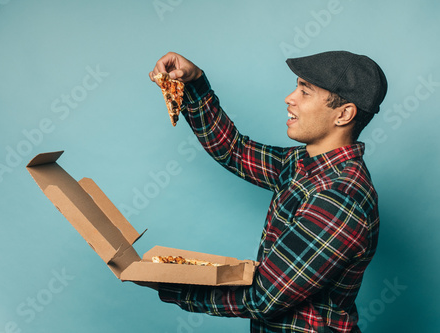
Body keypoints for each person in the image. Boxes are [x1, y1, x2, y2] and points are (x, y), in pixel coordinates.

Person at [144, 50, 387, 332]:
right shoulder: (302, 164)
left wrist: (169, 281)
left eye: (305, 92)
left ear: (344, 114)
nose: (290, 98)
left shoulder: (340, 197)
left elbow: (263, 298)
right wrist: (195, 82)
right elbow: (235, 151)